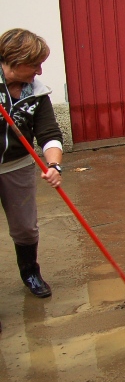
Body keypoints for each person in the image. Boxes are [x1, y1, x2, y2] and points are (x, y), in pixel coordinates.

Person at [0, 29, 64, 311]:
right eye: (34, 64)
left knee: (25, 228)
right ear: (15, 60)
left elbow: (50, 133)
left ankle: (30, 273)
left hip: (17, 166)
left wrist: (53, 164)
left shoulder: (36, 93)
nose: (39, 71)